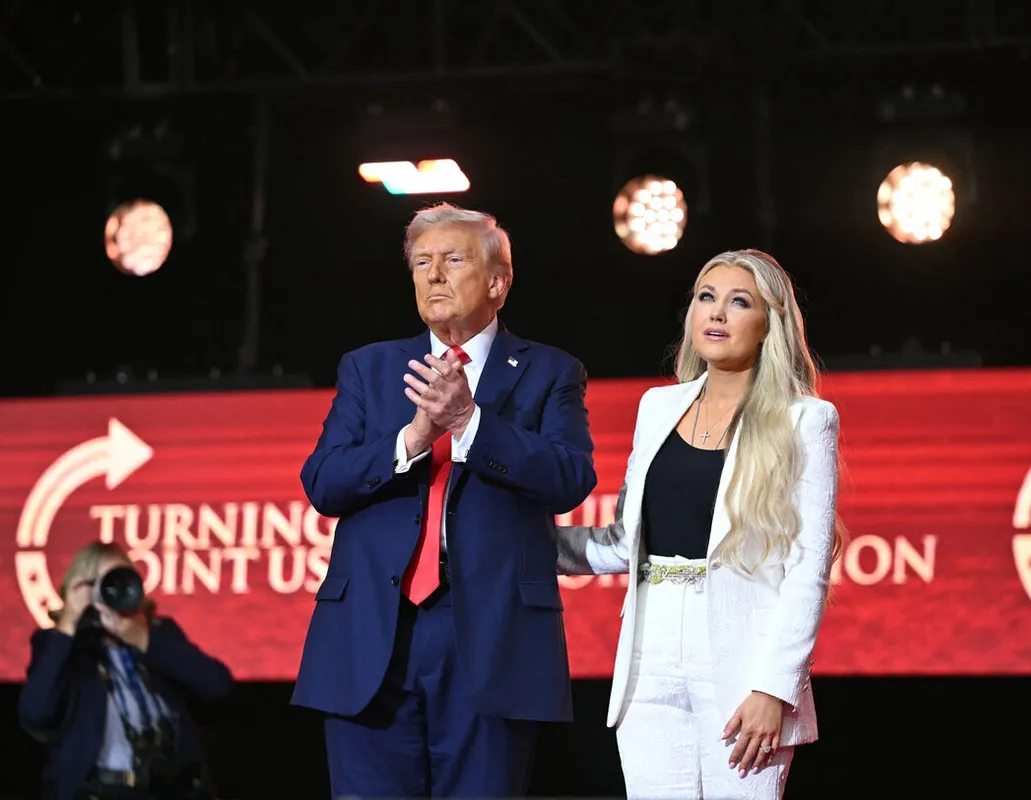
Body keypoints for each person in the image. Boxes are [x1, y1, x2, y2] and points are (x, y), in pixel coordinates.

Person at [293, 202, 598, 798]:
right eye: (421, 263)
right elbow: (323, 482)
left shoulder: (551, 372)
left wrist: (470, 424)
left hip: (492, 636)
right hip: (372, 633)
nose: (433, 274)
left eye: (452, 260)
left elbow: (569, 477)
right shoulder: (369, 368)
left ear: (497, 283)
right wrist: (411, 440)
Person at [556, 249, 842, 799]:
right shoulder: (657, 407)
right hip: (650, 655)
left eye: (739, 302)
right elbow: (624, 542)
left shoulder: (805, 419)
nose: (717, 312)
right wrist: (516, 540)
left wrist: (774, 688)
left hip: (742, 665)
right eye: (706, 297)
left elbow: (808, 570)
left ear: (770, 324)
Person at [18, 541, 233, 800]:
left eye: (121, 580)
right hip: (98, 791)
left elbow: (218, 686)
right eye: (102, 584)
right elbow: (36, 713)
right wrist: (68, 625)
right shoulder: (61, 646)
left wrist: (144, 640)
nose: (113, 593)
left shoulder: (159, 634)